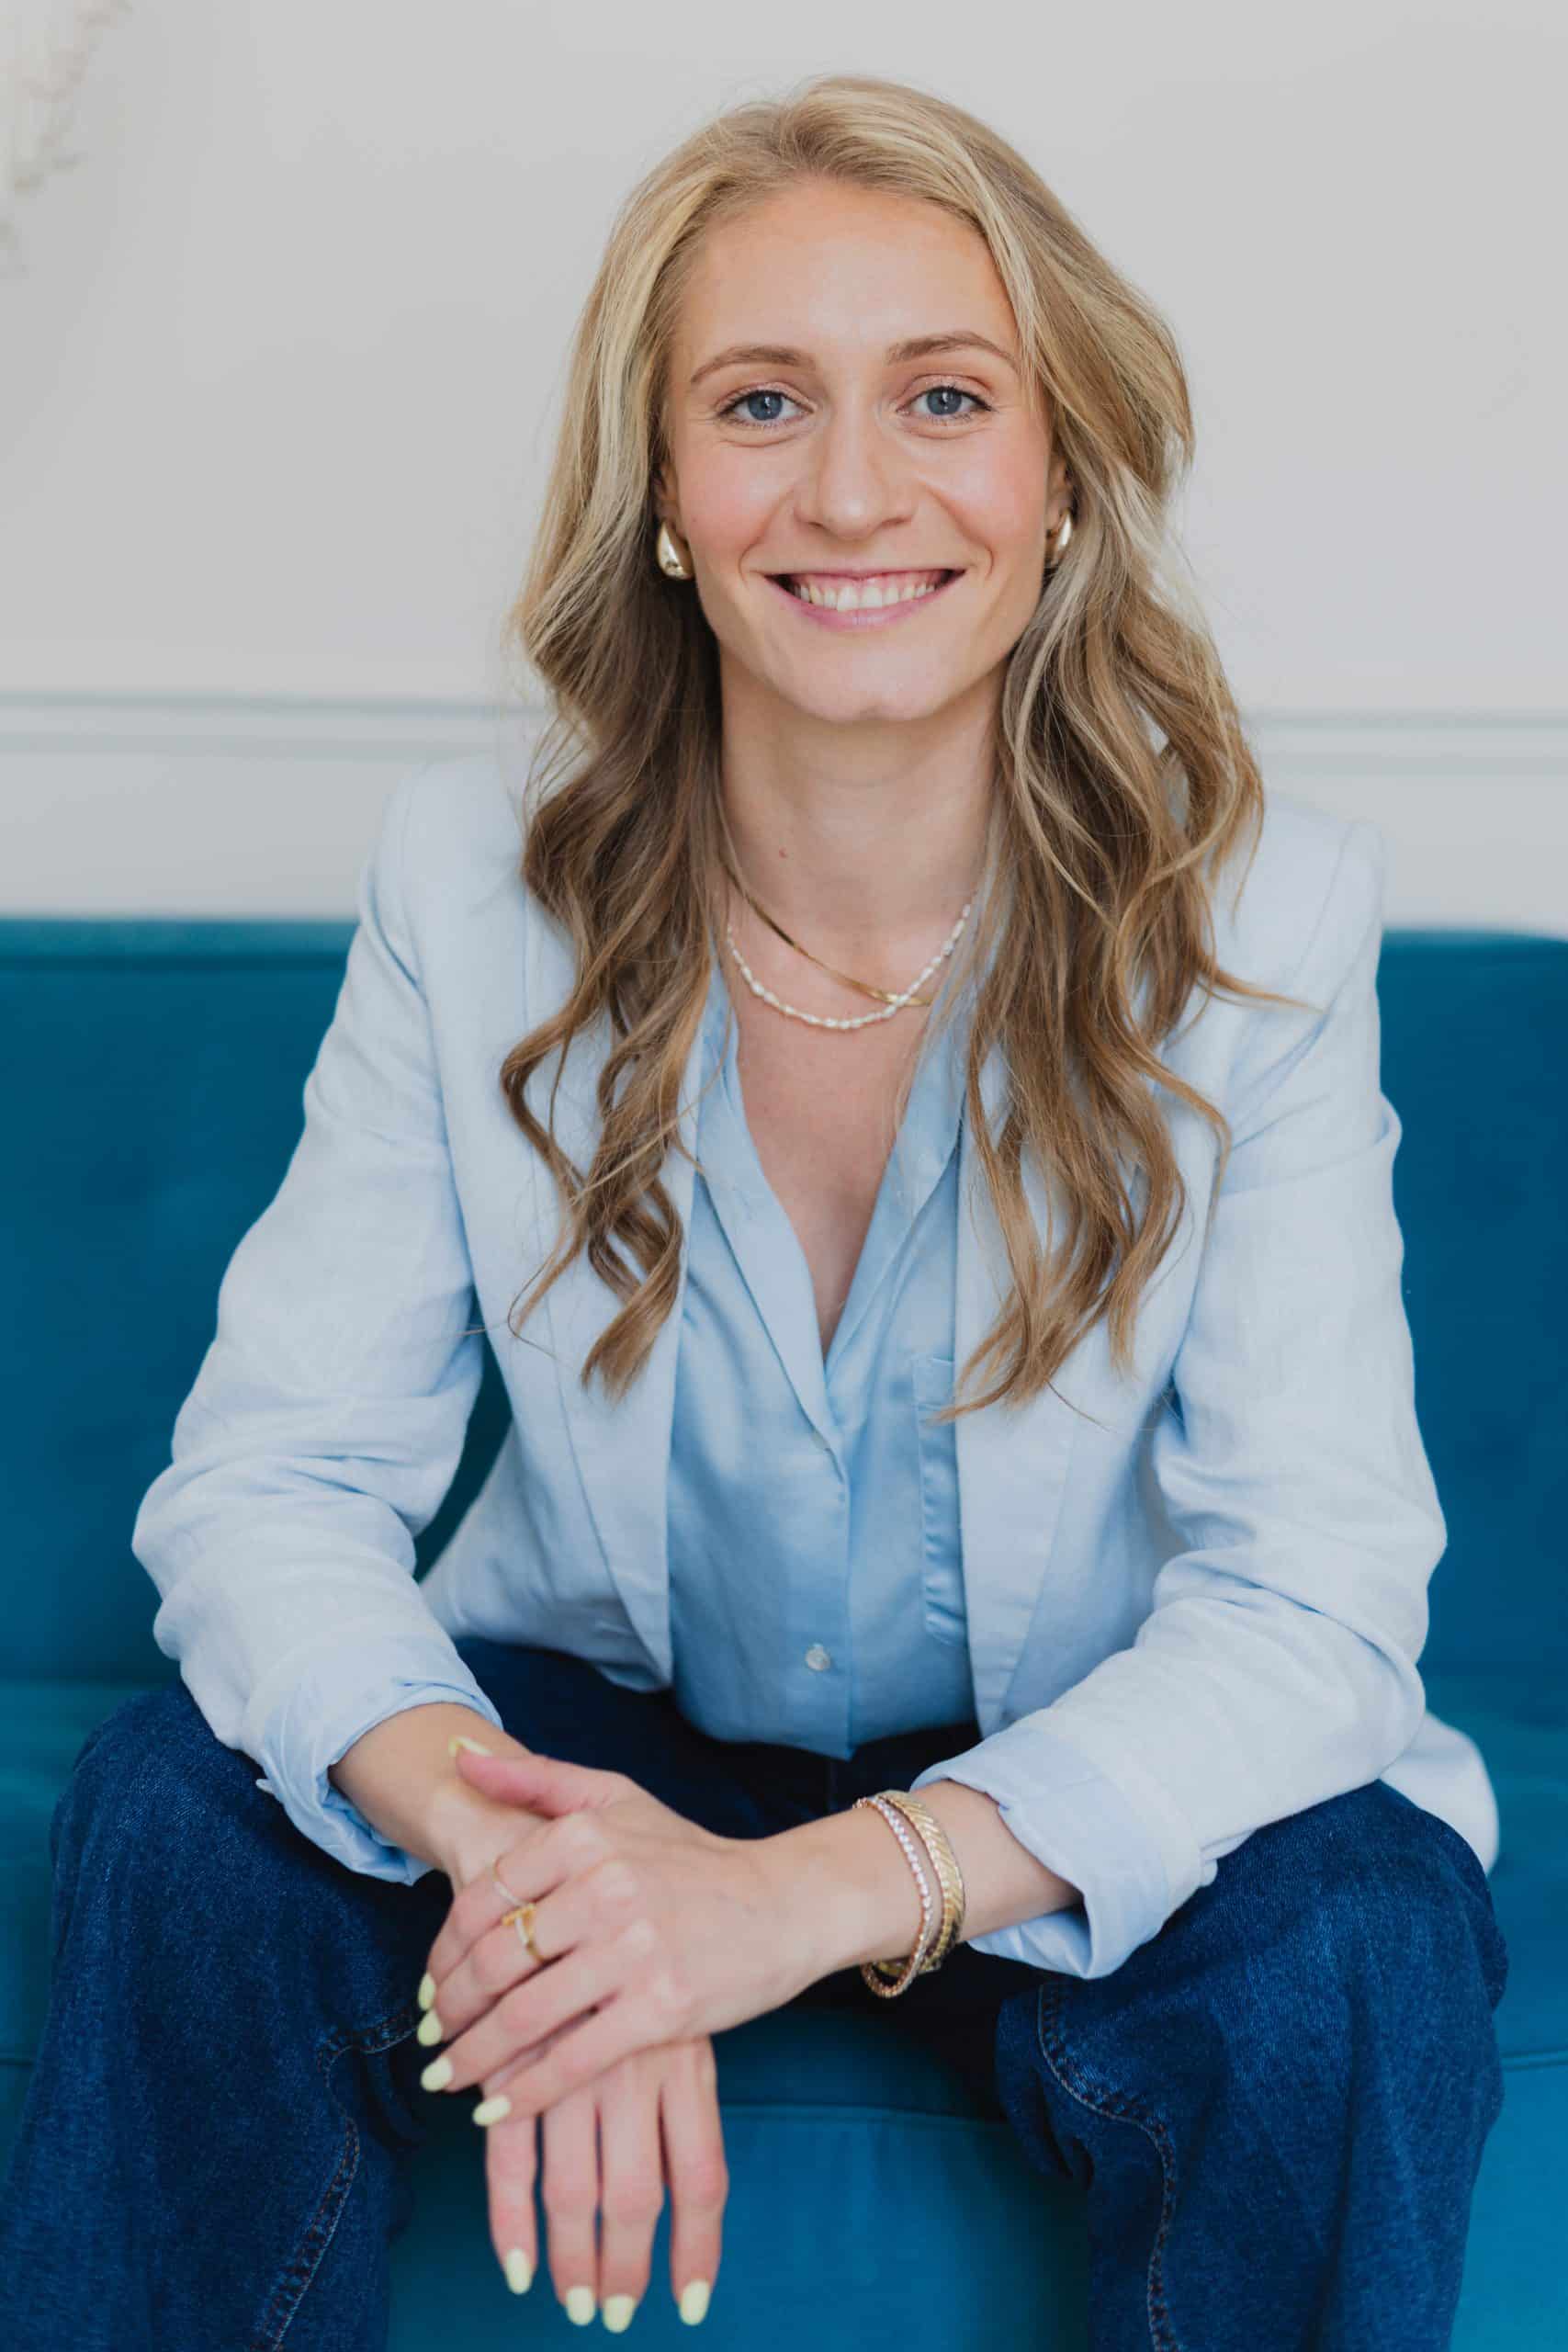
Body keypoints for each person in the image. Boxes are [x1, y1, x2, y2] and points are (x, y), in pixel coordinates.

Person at [0, 70, 1508, 2352]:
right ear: (670, 504)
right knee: (173, 1812)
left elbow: (1317, 1596)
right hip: (596, 1724)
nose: (850, 486)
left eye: (941, 395)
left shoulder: (1265, 926)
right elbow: (270, 1485)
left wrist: (780, 1906)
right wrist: (556, 1875)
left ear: (1058, 482)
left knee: (1362, 1932)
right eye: (758, 401)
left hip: (1051, 1760)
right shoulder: (466, 887)